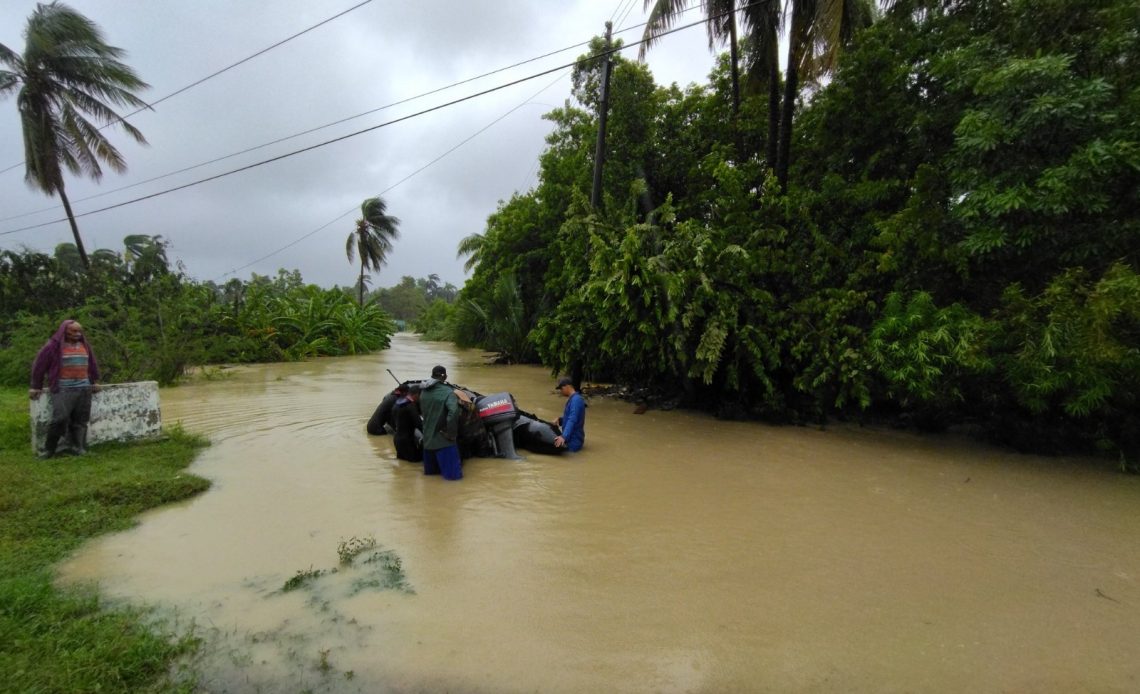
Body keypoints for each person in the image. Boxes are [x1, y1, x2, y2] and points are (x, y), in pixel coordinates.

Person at [30, 319, 100, 458]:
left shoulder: (84, 345)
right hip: (63, 389)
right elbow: (39, 366)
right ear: (64, 331)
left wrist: (94, 381)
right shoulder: (53, 346)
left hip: (84, 388)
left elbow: (91, 364)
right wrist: (35, 386)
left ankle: (78, 447)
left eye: (79, 331)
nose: (77, 334)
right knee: (60, 419)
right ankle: (49, 449)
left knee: (81, 420)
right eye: (73, 331)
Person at [419, 365, 462, 480]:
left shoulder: (423, 392)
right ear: (445, 376)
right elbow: (453, 413)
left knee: (431, 479)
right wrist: (451, 434)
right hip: (444, 443)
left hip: (427, 442)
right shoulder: (448, 392)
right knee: (453, 481)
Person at [392, 386, 424, 462]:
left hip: (397, 439)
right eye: (420, 396)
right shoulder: (410, 406)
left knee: (402, 464)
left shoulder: (397, 403)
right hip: (407, 441)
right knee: (415, 463)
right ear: (416, 395)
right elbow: (419, 424)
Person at [554, 376, 586, 452]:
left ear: (567, 387)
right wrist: (560, 420)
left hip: (573, 441)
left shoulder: (576, 400)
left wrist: (563, 437)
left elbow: (573, 419)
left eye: (561, 389)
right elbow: (570, 418)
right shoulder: (573, 399)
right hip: (571, 438)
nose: (561, 391)